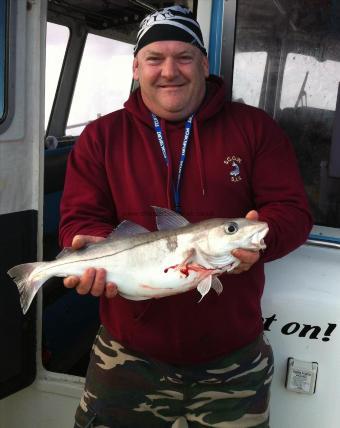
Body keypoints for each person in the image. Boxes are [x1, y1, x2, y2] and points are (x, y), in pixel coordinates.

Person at [59, 5, 313, 428]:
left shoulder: (254, 128)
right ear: (136, 67)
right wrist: (88, 248)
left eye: (184, 57)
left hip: (233, 358)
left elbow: (291, 211)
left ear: (204, 63)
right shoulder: (101, 137)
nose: (169, 71)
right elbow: (79, 220)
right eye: (155, 59)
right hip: (126, 355)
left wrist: (259, 242)